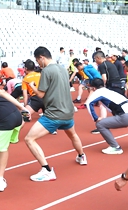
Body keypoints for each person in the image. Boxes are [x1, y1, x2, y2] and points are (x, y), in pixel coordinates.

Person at [24, 46, 87, 182]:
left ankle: (46, 170)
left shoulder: (46, 71)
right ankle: (81, 156)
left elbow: (41, 94)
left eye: (37, 60)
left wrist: (32, 86)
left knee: (29, 139)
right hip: (68, 111)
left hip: (54, 114)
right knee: (73, 135)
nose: (37, 64)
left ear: (41, 57)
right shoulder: (63, 69)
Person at [85, 78, 128, 155]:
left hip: (126, 117)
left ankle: (115, 147)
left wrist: (95, 118)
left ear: (94, 88)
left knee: (100, 124)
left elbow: (88, 103)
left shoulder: (97, 92)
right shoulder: (109, 91)